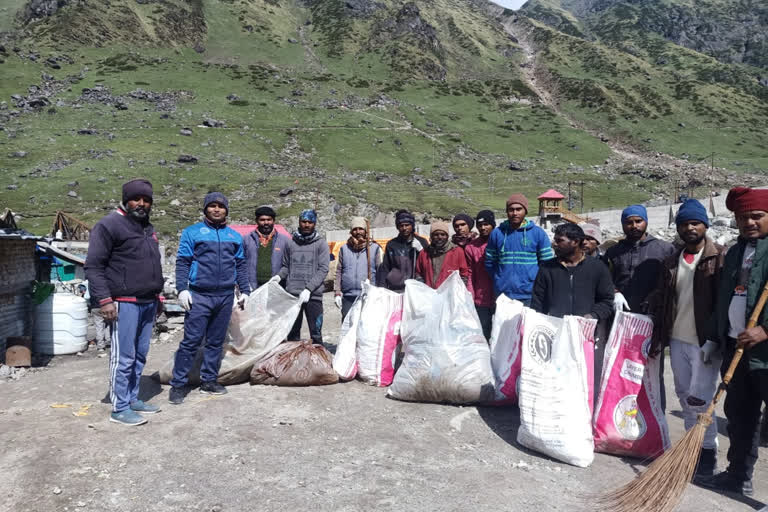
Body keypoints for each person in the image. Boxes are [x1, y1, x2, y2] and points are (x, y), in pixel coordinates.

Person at [647, 199, 725, 478]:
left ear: (706, 225)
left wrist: (716, 337)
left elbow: (723, 303)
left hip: (705, 341)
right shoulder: (672, 260)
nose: (689, 228)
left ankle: (707, 452)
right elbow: (664, 299)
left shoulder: (719, 258)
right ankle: (691, 448)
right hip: (678, 338)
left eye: (695, 223)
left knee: (700, 399)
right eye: (684, 224)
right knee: (683, 395)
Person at [701, 187, 768, 497]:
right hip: (736, 348)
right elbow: (724, 297)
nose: (749, 222)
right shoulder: (736, 251)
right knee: (740, 418)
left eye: (757, 216)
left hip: (765, 352)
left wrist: (765, 329)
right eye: (743, 218)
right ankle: (737, 476)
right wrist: (716, 337)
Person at [84, 179, 164, 426]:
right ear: (125, 199)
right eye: (137, 199)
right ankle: (119, 408)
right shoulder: (109, 225)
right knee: (124, 356)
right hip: (123, 302)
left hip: (148, 301)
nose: (142, 204)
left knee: (140, 354)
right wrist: (105, 300)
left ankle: (132, 398)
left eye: (147, 200)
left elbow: (152, 265)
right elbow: (94, 266)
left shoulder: (147, 228)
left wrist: (158, 295)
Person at [169, 192, 250, 405]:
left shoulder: (234, 236)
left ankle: (209, 381)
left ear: (226, 210)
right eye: (212, 206)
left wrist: (245, 290)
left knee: (216, 341)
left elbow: (240, 265)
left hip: (224, 296)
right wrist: (181, 289)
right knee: (191, 340)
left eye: (221, 206)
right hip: (199, 295)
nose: (216, 209)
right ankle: (178, 384)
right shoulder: (192, 233)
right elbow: (183, 262)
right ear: (205, 209)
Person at [530, 223, 614, 322]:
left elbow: (606, 301)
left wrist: (593, 315)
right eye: (555, 240)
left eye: (559, 240)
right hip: (554, 329)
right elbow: (537, 302)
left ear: (575, 242)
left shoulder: (598, 267)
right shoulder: (547, 268)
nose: (554, 244)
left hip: (586, 330)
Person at [484, 193, 554, 306]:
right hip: (503, 295)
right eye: (511, 210)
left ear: (525, 211)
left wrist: (534, 282)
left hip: (529, 294)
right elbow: (489, 262)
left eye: (518, 209)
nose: (514, 213)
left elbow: (546, 264)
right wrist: (500, 279)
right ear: (507, 212)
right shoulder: (497, 233)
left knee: (527, 324)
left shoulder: (538, 233)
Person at [604, 204, 675, 313]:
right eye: (629, 222)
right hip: (621, 313)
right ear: (622, 224)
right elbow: (604, 278)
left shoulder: (665, 249)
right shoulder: (613, 252)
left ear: (646, 222)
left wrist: (656, 294)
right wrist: (615, 292)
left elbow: (672, 280)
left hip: (654, 313)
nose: (634, 226)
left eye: (638, 221)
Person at [277, 209, 330, 344]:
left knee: (316, 333)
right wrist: (278, 277)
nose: (306, 225)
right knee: (293, 334)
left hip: (313, 296)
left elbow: (323, 269)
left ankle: (319, 363)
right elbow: (286, 266)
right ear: (299, 222)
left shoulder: (321, 244)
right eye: (304, 221)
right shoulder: (290, 243)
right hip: (293, 296)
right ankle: (294, 363)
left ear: (315, 223)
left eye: (310, 222)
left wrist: (309, 289)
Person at [334, 217, 381, 321]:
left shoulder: (374, 248)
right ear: (351, 231)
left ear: (365, 230)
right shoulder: (344, 249)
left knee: (366, 326)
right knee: (348, 327)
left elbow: (380, 272)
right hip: (348, 297)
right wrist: (337, 292)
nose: (358, 231)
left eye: (361, 228)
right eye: (355, 229)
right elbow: (339, 272)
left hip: (368, 296)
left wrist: (378, 292)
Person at [377, 209, 429, 292]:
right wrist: (382, 288)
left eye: (407, 225)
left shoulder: (422, 242)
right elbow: (385, 268)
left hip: (416, 288)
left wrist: (422, 251)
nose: (404, 228)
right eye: (401, 225)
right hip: (396, 288)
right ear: (397, 227)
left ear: (412, 225)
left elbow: (428, 264)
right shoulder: (392, 244)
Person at [465, 210, 496, 340]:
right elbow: (470, 273)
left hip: (501, 296)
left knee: (502, 335)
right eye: (480, 225)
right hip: (480, 298)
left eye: (487, 224)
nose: (483, 228)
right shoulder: (471, 247)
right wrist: (471, 295)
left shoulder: (501, 242)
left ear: (493, 225)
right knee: (483, 333)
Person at [243, 205, 291, 289]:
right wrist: (245, 285)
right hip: (252, 288)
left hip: (276, 288)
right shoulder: (246, 239)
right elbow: (240, 264)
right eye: (262, 220)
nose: (266, 223)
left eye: (269, 220)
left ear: (273, 221)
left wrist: (280, 276)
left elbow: (288, 265)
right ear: (256, 221)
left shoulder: (284, 241)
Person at [414, 221, 469, 288]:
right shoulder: (424, 253)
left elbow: (464, 274)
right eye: (436, 235)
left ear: (447, 236)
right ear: (431, 236)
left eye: (443, 234)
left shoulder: (457, 251)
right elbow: (418, 273)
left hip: (450, 293)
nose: (439, 237)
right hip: (429, 293)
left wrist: (460, 290)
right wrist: (422, 288)